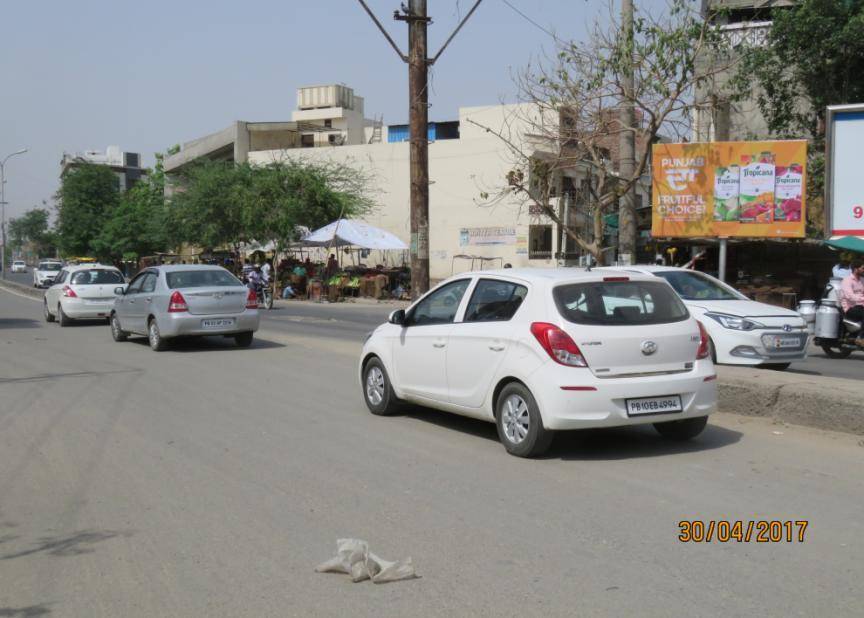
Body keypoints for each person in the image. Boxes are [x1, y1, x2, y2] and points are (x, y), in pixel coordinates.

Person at [839, 260, 864, 334]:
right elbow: (850, 297)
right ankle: (861, 337)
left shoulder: (862, 280)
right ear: (856, 269)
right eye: (862, 268)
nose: (863, 270)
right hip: (850, 308)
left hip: (861, 306)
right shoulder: (847, 280)